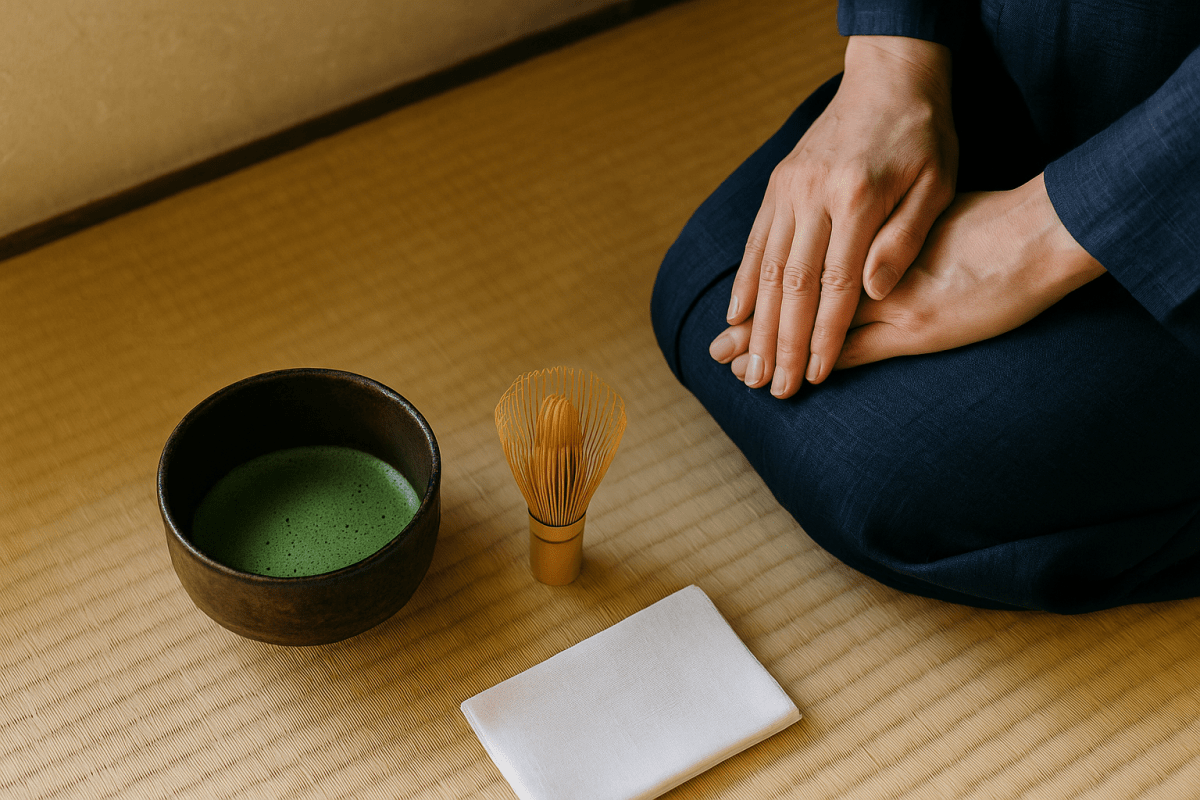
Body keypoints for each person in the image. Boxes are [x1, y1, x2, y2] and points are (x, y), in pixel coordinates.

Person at [650, 0, 1200, 613]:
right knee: (705, 279)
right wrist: (890, 61)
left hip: (1181, 173)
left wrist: (1038, 237)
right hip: (1031, 65)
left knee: (875, 477)